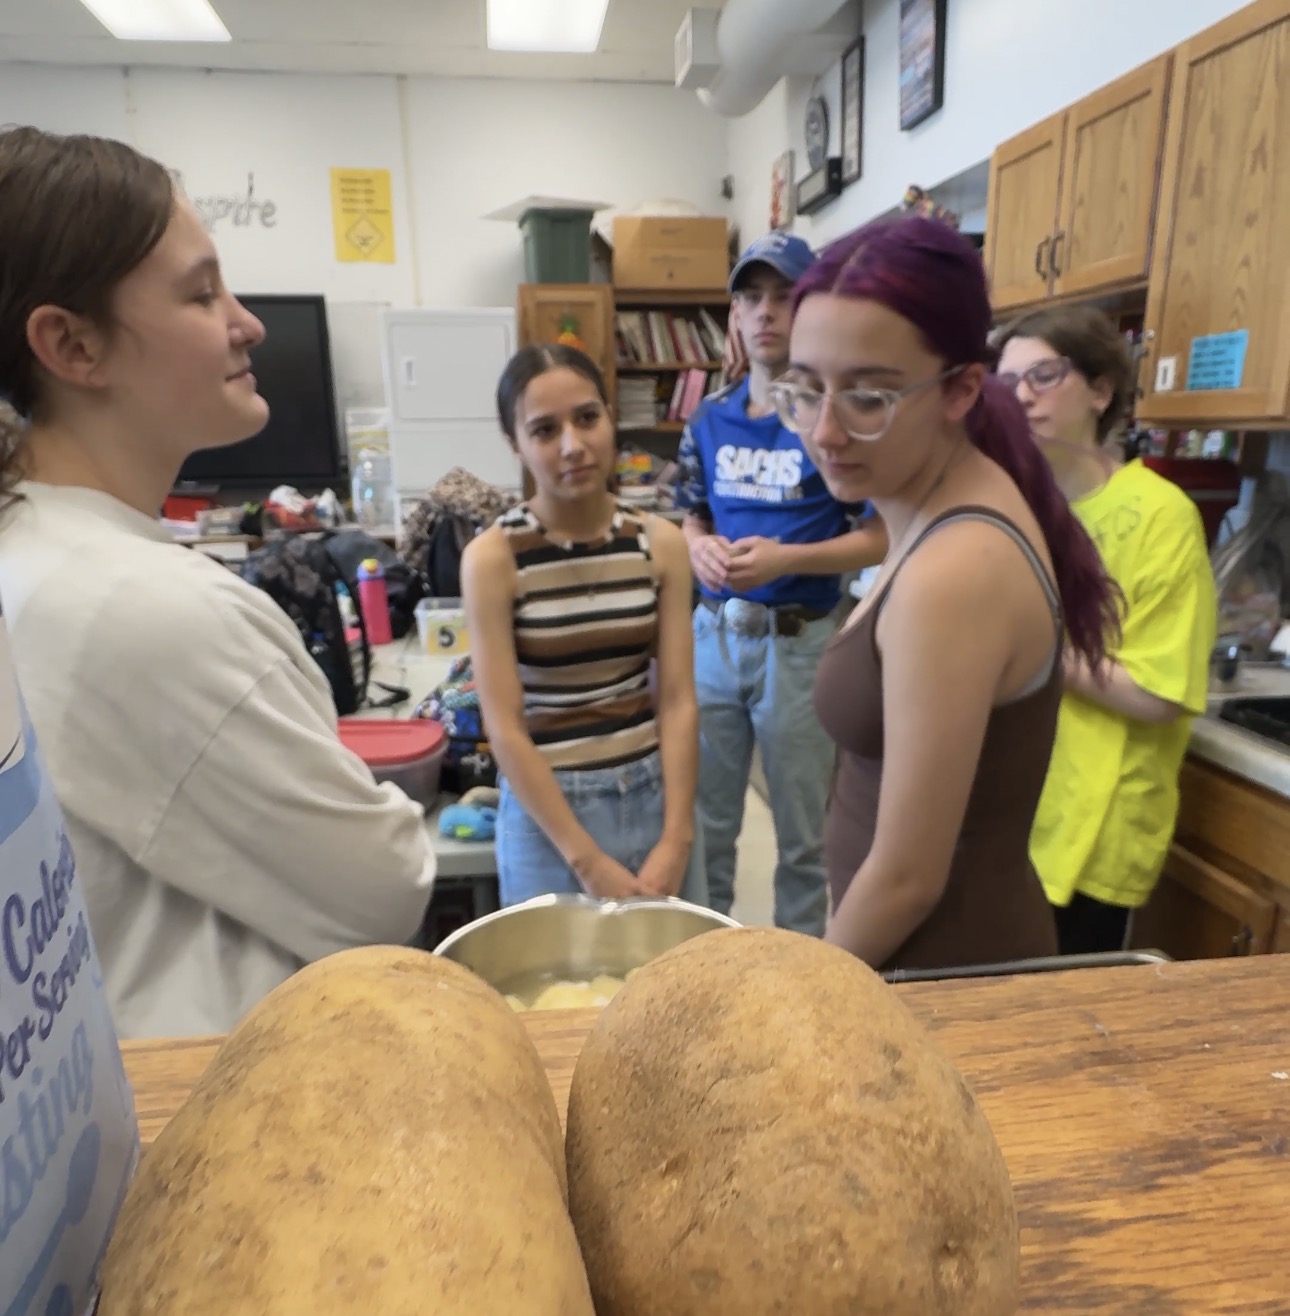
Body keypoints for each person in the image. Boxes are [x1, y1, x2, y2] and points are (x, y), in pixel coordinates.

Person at [0, 127, 436, 1038]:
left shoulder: (34, 549)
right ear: (73, 346)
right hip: (203, 1102)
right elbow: (384, 888)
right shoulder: (143, 608)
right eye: (203, 295)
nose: (248, 323)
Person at [780, 215, 1120, 971]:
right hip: (919, 962)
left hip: (951, 976)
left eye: (867, 397)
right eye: (805, 391)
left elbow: (906, 879)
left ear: (963, 388)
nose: (825, 432)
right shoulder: (925, 505)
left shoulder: (955, 570)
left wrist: (807, 996)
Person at [676, 232, 887, 936]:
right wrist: (698, 546)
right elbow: (690, 510)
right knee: (707, 827)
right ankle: (705, 972)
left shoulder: (836, 421)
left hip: (802, 645)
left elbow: (881, 535)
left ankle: (799, 977)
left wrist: (786, 562)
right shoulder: (707, 419)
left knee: (804, 837)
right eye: (750, 297)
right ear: (734, 315)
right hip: (713, 639)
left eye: (783, 296)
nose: (765, 312)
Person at [996, 306, 1217, 954]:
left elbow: (1157, 693)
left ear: (1101, 389)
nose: (1023, 396)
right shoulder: (1011, 499)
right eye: (1007, 382)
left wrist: (1017, 644)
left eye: (1045, 374)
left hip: (1094, 830)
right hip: (1014, 814)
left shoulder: (1158, 516)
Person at [461, 344, 703, 907]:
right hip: (551, 822)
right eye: (545, 430)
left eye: (588, 418)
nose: (574, 445)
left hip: (653, 796)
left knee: (676, 985)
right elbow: (505, 728)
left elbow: (677, 701)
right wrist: (585, 859)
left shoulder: (660, 544)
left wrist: (678, 833)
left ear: (609, 416)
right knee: (557, 992)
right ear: (515, 444)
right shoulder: (494, 559)